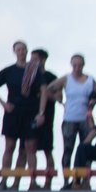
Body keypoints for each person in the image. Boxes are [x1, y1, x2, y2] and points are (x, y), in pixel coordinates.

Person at [0, 41, 44, 183]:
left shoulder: (34, 70)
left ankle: (32, 181)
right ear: (15, 52)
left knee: (31, 147)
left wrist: (41, 113)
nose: (21, 52)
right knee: (9, 147)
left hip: (30, 112)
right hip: (12, 113)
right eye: (18, 49)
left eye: (24, 49)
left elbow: (44, 90)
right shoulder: (9, 70)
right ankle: (4, 180)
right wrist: (2, 103)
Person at [40, 54, 96, 177]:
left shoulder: (90, 80)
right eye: (75, 65)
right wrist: (57, 98)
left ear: (83, 65)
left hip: (85, 119)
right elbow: (47, 89)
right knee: (68, 149)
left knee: (86, 149)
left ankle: (85, 179)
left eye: (79, 65)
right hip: (70, 118)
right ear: (71, 65)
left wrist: (93, 101)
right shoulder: (66, 79)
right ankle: (67, 178)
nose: (77, 68)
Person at [31, 49, 57, 183]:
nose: (31, 61)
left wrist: (44, 94)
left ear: (42, 60)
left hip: (46, 118)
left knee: (47, 150)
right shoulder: (28, 76)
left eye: (34, 59)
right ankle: (32, 181)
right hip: (29, 117)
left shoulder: (51, 77)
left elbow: (59, 97)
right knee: (27, 149)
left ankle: (48, 183)